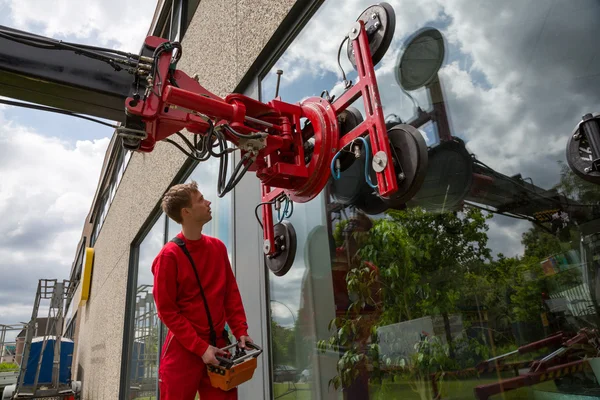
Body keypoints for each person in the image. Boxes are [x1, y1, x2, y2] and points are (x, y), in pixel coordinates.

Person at [152, 181, 252, 400]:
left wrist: (240, 331)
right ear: (186, 212)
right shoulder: (169, 256)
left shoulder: (218, 248)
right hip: (182, 349)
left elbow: (230, 295)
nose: (207, 203)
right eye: (200, 200)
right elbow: (167, 311)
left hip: (219, 346)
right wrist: (200, 348)